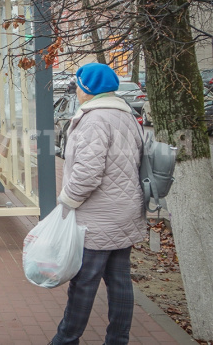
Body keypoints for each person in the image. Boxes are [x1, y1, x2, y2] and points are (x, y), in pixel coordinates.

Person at [51, 62, 146, 345]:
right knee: (119, 282)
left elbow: (88, 174)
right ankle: (118, 340)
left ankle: (65, 339)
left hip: (98, 217)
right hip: (124, 211)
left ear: (88, 88)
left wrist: (66, 203)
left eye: (79, 85)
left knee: (83, 284)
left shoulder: (94, 120)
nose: (77, 90)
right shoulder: (126, 116)